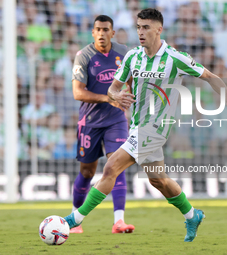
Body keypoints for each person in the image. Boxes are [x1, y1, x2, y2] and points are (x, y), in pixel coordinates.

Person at [63, 8, 227, 242]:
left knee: (111, 167)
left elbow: (209, 76)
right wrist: (114, 96)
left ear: (159, 29)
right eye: (139, 27)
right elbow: (113, 87)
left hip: (157, 129)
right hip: (138, 126)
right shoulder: (132, 56)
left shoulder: (175, 58)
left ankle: (75, 219)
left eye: (146, 27)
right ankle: (192, 215)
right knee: (157, 179)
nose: (140, 32)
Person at [69, 15, 135, 234]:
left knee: (116, 165)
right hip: (90, 122)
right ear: (93, 32)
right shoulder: (84, 56)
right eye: (98, 29)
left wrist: (130, 97)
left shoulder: (124, 53)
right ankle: (76, 219)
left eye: (106, 29)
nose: (101, 33)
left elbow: (132, 79)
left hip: (116, 120)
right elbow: (77, 92)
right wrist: (109, 97)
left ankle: (119, 221)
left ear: (112, 33)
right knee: (87, 172)